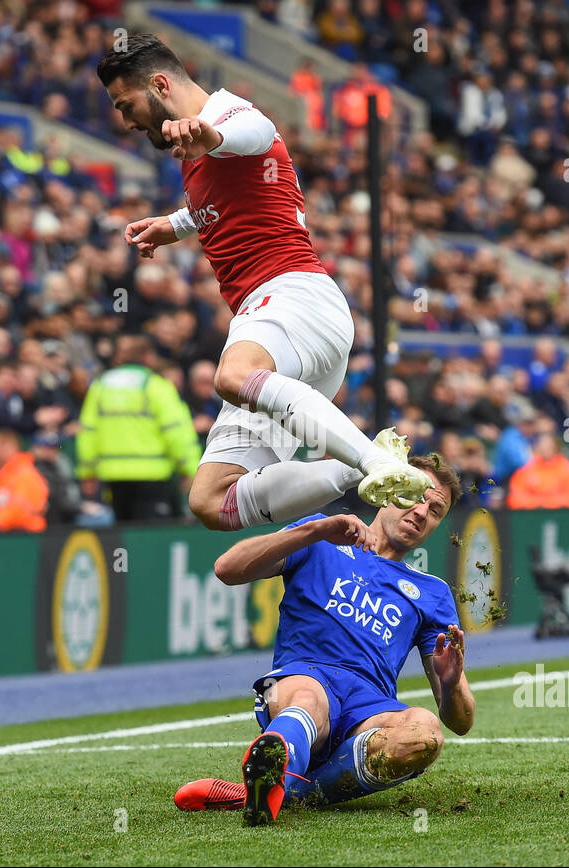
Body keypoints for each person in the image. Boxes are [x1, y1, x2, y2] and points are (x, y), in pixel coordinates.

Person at [97, 34, 431, 534]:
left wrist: (211, 135)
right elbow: (238, 195)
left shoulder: (231, 119)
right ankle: (351, 465)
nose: (125, 121)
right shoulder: (198, 152)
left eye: (127, 104)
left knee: (231, 375)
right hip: (287, 330)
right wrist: (178, 224)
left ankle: (371, 462)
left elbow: (255, 132)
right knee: (212, 501)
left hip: (293, 297)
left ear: (161, 84)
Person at [173, 451, 475, 826]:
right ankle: (280, 771)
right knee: (307, 698)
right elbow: (227, 569)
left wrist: (450, 685)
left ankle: (282, 788)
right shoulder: (322, 534)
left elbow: (460, 721)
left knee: (425, 734)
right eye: (416, 495)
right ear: (387, 488)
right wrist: (313, 531)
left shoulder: (432, 592)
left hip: (368, 709)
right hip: (306, 680)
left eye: (435, 510)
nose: (421, 512)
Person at [75, 335, 200, 522]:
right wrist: (188, 469)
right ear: (148, 357)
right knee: (150, 540)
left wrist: (87, 473)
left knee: (124, 538)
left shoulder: (100, 387)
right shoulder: (156, 386)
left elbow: (88, 432)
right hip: (153, 476)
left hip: (113, 476)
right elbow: (176, 431)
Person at [506, 433, 569, 509]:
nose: (546, 450)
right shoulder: (528, 468)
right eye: (543, 447)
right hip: (533, 515)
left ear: (556, 447)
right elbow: (514, 498)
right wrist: (539, 502)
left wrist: (549, 502)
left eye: (549, 447)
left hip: (561, 515)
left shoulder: (566, 468)